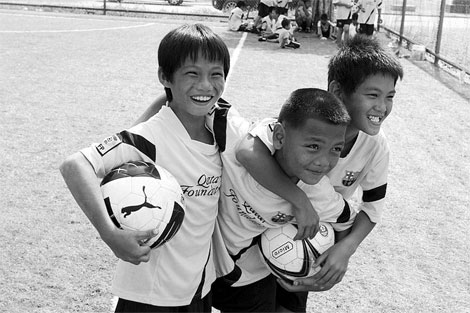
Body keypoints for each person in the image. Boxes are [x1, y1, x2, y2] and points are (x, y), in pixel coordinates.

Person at [59, 23, 231, 312]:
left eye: (216, 74)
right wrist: (110, 234)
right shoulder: (148, 137)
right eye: (192, 73)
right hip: (148, 296)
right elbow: (74, 165)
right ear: (165, 76)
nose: (206, 85)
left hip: (198, 289)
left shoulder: (221, 131)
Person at [237, 35, 404, 312]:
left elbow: (372, 208)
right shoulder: (307, 118)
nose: (382, 107)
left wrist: (345, 249)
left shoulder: (375, 146)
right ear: (338, 91)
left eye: (389, 97)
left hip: (308, 243)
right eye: (373, 95)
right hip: (258, 235)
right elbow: (248, 151)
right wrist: (300, 201)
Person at [211, 88, 355, 312]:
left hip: (248, 278)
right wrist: (134, 137)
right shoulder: (233, 134)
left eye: (335, 149)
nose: (324, 162)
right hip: (199, 263)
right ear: (279, 137)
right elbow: (176, 95)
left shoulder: (319, 194)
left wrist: (332, 263)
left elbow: (346, 222)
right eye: (313, 147)